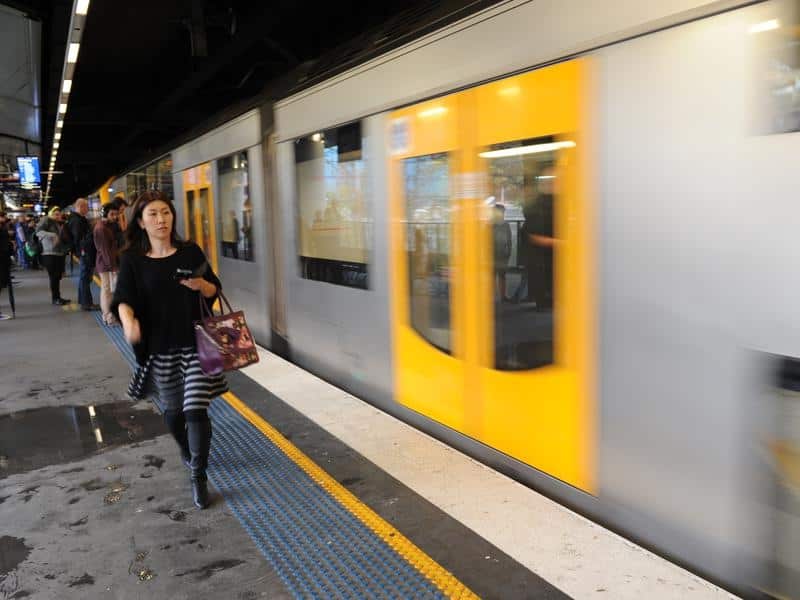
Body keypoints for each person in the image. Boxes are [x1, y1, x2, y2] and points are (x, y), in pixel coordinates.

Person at [111, 190, 227, 509]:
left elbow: (214, 288)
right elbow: (122, 298)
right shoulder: (133, 260)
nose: (161, 219)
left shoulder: (189, 252)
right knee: (174, 412)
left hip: (197, 344)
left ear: (173, 216)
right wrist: (129, 321)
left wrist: (200, 286)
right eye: (153, 214)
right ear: (140, 221)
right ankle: (186, 451)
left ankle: (198, 476)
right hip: (159, 348)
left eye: (165, 212)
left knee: (195, 408)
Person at [36, 207, 71, 305]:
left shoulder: (58, 223)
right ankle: (55, 298)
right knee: (54, 277)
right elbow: (38, 232)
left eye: (59, 214)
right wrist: (53, 235)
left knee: (57, 277)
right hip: (49, 253)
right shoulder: (46, 220)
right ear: (51, 214)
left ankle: (58, 297)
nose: (58, 216)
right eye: (56, 214)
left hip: (57, 253)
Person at [69, 198, 99, 311]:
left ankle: (84, 301)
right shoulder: (77, 220)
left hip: (83, 252)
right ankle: (87, 303)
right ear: (80, 207)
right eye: (86, 207)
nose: (88, 209)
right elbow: (80, 238)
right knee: (85, 278)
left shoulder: (77, 218)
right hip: (84, 252)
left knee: (84, 278)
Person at [94, 203, 120, 325]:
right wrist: (113, 267)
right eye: (112, 214)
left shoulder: (106, 226)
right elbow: (105, 251)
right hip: (105, 265)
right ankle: (107, 316)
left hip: (106, 263)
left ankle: (109, 315)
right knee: (106, 290)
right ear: (105, 214)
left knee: (107, 290)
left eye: (116, 214)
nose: (115, 216)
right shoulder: (102, 229)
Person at [492, 204, 512, 302]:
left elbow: (509, 240)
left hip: (502, 253)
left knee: (501, 275)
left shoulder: (505, 225)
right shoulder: (491, 225)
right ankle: (498, 296)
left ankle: (502, 296)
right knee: (495, 275)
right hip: (495, 254)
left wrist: (509, 251)